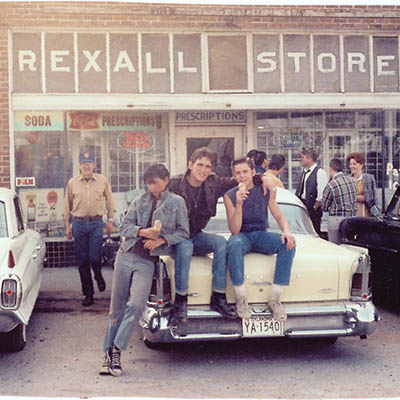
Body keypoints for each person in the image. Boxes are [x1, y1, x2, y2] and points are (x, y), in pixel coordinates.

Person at [100, 164, 189, 377]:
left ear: (166, 180)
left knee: (137, 305)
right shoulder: (140, 200)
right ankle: (108, 355)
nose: (151, 187)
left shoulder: (177, 203)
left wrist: (162, 239)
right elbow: (125, 227)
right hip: (125, 255)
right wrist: (142, 232)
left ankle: (116, 349)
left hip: (147, 262)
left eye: (155, 183)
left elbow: (183, 232)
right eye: (148, 183)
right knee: (116, 308)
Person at [168, 147, 239, 325]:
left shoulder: (213, 182)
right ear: (190, 165)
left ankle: (218, 296)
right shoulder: (174, 184)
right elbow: (155, 199)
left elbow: (236, 180)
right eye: (200, 165)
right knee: (186, 247)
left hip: (196, 235)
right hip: (177, 237)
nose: (203, 170)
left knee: (221, 242)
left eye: (208, 166)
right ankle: (181, 302)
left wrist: (261, 178)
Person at [224, 157, 296, 321]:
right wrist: (239, 203)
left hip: (261, 234)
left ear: (253, 172)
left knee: (288, 244)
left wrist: (286, 231)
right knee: (233, 244)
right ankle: (241, 297)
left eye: (245, 172)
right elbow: (234, 230)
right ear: (234, 176)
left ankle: (275, 298)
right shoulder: (229, 196)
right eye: (238, 173)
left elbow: (278, 215)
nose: (242, 176)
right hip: (242, 236)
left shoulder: (264, 189)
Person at [62, 152, 115, 307]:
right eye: (83, 163)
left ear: (94, 165)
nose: (86, 166)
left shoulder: (102, 181)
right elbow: (67, 206)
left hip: (96, 224)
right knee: (83, 260)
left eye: (89, 162)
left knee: (94, 257)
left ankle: (98, 275)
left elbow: (110, 201)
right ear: (79, 166)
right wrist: (67, 226)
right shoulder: (72, 183)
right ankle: (88, 294)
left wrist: (110, 220)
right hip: (78, 224)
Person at [321, 159, 358, 244]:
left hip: (336, 219)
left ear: (330, 169)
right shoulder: (353, 181)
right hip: (351, 218)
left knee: (335, 247)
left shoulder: (332, 184)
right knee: (349, 245)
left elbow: (324, 206)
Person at [295, 147, 328, 237]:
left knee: (314, 232)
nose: (300, 160)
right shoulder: (304, 172)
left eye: (302, 157)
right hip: (303, 206)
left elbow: (322, 192)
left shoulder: (320, 172)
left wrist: (315, 206)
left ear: (309, 158)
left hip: (313, 209)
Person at [347, 152, 380, 217]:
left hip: (366, 215)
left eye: (354, 164)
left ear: (361, 165)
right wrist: (360, 197)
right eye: (350, 164)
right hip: (351, 216)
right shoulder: (347, 180)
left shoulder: (369, 178)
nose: (351, 166)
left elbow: (372, 197)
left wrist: (354, 198)